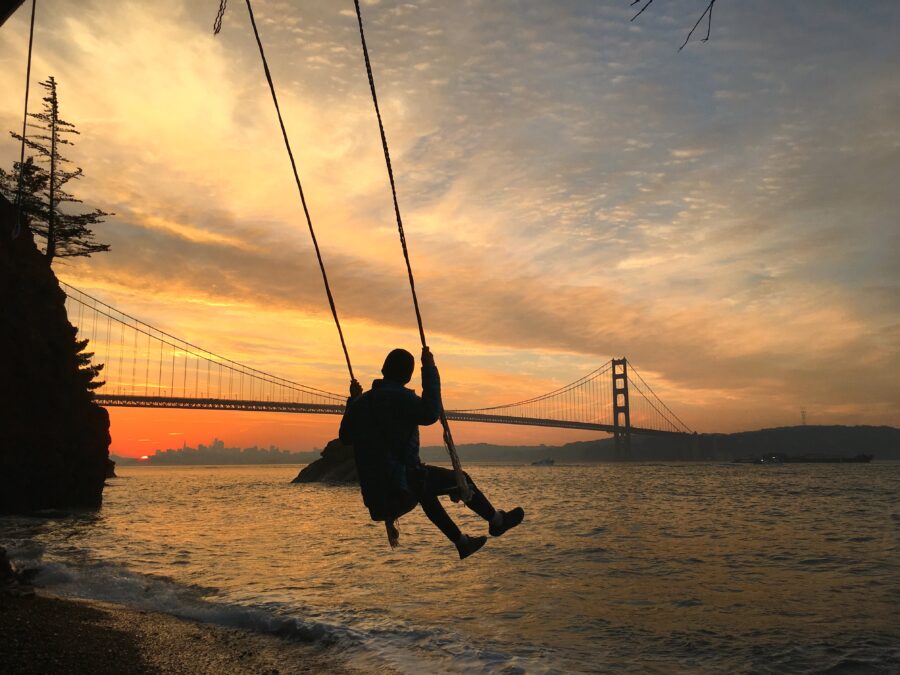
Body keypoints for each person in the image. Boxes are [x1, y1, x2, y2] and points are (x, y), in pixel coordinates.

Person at [339, 346, 524, 559]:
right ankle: (496, 522)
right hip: (399, 490)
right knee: (459, 479)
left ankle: (462, 542)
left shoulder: (362, 403)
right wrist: (429, 368)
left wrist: (353, 402)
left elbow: (345, 437)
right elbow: (430, 413)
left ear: (383, 369)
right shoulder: (401, 398)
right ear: (408, 377)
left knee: (423, 486)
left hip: (376, 497)